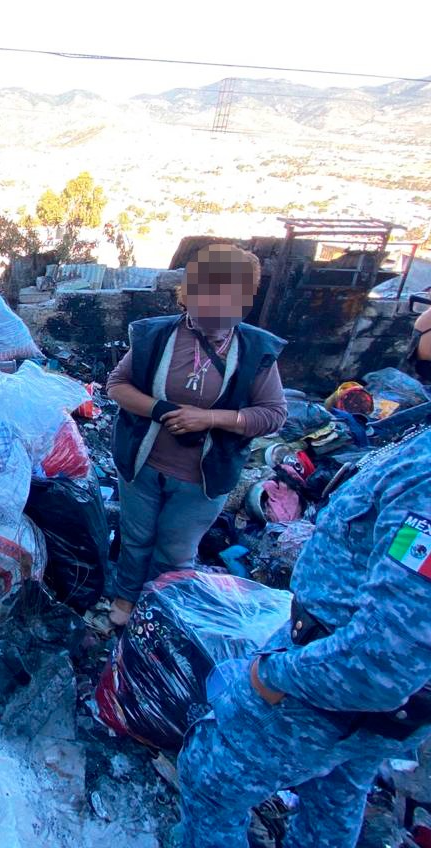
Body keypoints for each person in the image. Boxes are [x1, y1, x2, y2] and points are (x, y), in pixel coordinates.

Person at [175, 229, 431, 848]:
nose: (419, 313)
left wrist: (270, 678)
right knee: (334, 794)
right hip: (384, 706)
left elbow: (381, 661)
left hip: (331, 692)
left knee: (212, 779)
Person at [106, 243, 287, 625]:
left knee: (174, 551)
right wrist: (162, 410)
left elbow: (272, 415)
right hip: (142, 463)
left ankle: (160, 615)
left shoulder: (255, 350)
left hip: (203, 478)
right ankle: (124, 602)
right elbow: (116, 385)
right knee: (135, 539)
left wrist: (210, 419)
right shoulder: (156, 337)